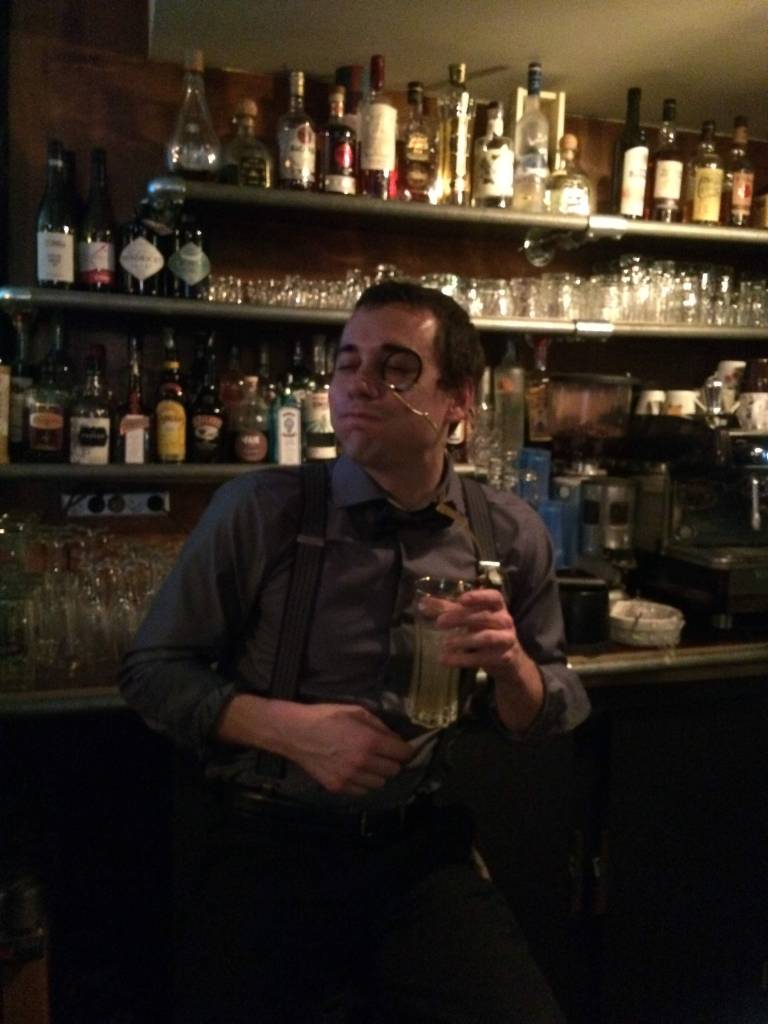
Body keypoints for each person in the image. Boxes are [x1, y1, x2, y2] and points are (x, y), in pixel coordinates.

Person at [120, 281, 590, 1023]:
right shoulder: (262, 510)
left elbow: (547, 707)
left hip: (416, 852)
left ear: (458, 400)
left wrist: (513, 668)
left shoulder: (508, 534)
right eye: (347, 363)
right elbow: (151, 675)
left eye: (396, 367)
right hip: (266, 846)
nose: (359, 384)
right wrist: (291, 731)